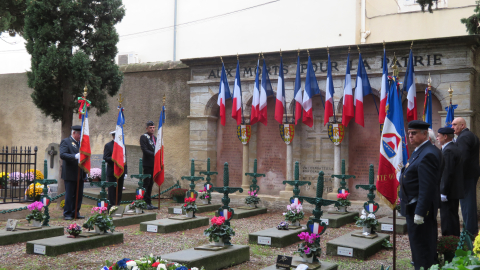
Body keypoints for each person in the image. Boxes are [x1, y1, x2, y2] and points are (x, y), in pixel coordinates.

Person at [400, 120, 442, 270]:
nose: (410, 136)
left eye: (414, 133)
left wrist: (420, 212)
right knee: (418, 246)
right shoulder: (420, 150)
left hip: (419, 208)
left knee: (422, 246)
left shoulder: (428, 153)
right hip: (412, 204)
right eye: (409, 133)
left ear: (425, 134)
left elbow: (427, 187)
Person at [452, 117, 480, 235]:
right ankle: (472, 229)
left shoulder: (463, 137)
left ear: (462, 125)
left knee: (467, 204)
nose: (452, 127)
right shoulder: (470, 135)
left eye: (454, 125)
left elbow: (463, 159)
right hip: (471, 173)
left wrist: (458, 176)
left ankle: (469, 232)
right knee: (470, 203)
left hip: (466, 175)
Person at [437, 127, 464, 236]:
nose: (437, 138)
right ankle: (454, 241)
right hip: (452, 191)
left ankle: (449, 244)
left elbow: (447, 173)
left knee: (448, 218)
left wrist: (443, 192)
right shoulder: (453, 147)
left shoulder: (448, 150)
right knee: (452, 217)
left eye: (439, 135)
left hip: (449, 191)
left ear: (445, 136)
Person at [60, 125, 87, 220]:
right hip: (70, 173)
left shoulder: (81, 144)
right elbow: (62, 155)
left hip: (80, 173)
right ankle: (67, 213)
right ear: (74, 133)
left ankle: (76, 212)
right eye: (79, 134)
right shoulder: (66, 141)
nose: (80, 136)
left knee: (78, 195)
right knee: (70, 195)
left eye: (81, 134)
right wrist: (75, 156)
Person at [103, 131, 127, 208]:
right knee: (112, 191)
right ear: (113, 137)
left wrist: (125, 171)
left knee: (119, 190)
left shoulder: (122, 146)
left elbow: (124, 159)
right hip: (112, 171)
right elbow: (106, 158)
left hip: (120, 171)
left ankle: (118, 206)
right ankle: (111, 207)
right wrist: (114, 158)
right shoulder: (108, 145)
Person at [140, 120, 158, 210]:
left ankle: (149, 202)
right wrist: (155, 154)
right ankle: (144, 201)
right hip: (147, 164)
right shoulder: (144, 137)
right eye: (150, 128)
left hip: (154, 164)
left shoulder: (155, 138)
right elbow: (145, 150)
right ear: (147, 128)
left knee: (151, 183)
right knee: (146, 183)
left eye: (153, 128)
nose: (152, 129)